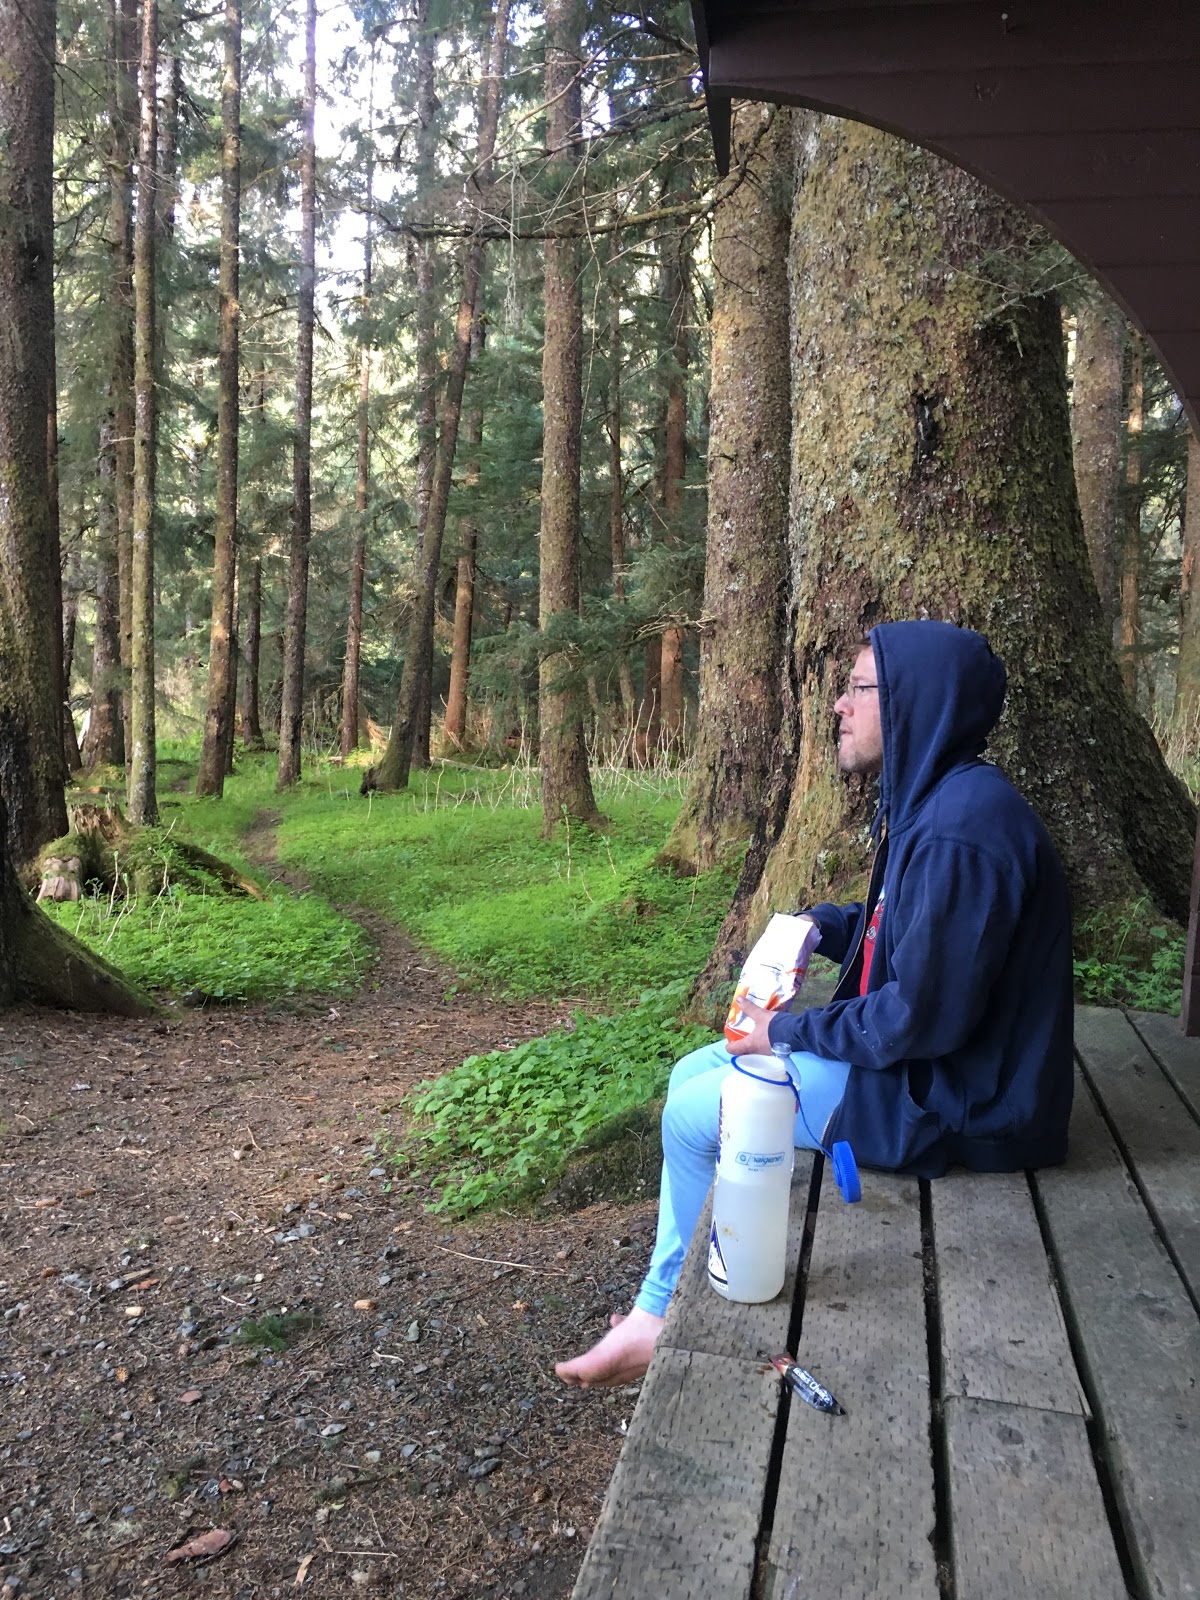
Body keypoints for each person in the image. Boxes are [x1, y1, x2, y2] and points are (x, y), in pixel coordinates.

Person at [555, 620, 1074, 1389]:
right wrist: (829, 926)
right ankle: (671, 1295)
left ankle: (661, 1311)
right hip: (945, 1073)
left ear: (914, 704)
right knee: (695, 1070)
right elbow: (921, 946)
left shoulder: (965, 831)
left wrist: (787, 1029)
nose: (838, 704)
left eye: (860, 687)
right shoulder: (940, 804)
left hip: (965, 1103)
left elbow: (920, 1016)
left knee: (698, 1112)